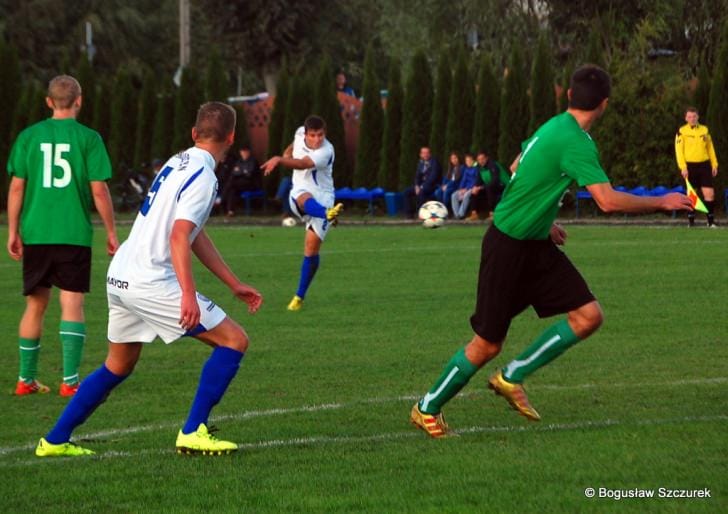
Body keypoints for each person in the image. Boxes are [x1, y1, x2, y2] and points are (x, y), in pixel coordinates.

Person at [410, 65, 693, 438]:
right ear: (604, 104)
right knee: (487, 343)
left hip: (535, 243)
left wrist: (543, 221)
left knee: (588, 316)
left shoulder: (553, 126)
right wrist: (661, 202)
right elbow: (606, 201)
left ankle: (512, 377)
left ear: (570, 97)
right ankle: (427, 408)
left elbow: (516, 167)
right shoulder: (575, 141)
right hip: (508, 246)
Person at [35, 102, 263, 457]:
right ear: (232, 137)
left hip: (122, 274)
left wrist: (232, 283)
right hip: (150, 280)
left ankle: (54, 440)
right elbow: (178, 237)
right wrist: (188, 295)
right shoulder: (204, 175)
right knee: (234, 340)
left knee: (118, 364)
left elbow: (192, 233)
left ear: (193, 133)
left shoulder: (177, 161)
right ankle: (193, 431)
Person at [6, 75, 118, 398]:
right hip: (73, 233)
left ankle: (25, 379)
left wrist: (13, 230)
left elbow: (16, 187)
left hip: (37, 232)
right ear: (79, 101)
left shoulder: (29, 136)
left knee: (35, 305)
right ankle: (70, 382)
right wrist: (111, 231)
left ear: (48, 102)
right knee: (72, 303)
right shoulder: (89, 138)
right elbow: (99, 190)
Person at [261, 115, 344, 311]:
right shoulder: (299, 132)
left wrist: (279, 160)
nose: (317, 139)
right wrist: (286, 153)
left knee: (311, 250)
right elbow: (293, 146)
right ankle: (327, 214)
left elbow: (303, 164)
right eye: (313, 135)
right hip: (301, 191)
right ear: (306, 133)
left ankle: (299, 297)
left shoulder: (326, 151)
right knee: (301, 196)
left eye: (321, 135)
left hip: (324, 196)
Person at [675, 107, 719, 227]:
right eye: (689, 117)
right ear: (685, 118)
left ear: (698, 117)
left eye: (694, 116)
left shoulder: (705, 130)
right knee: (692, 195)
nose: (692, 119)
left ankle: (710, 222)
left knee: (709, 193)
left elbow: (710, 148)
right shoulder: (681, 131)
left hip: (704, 165)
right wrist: (683, 167)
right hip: (689, 166)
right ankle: (691, 222)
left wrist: (714, 164)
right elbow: (679, 151)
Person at [221, 146, 261, 218]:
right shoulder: (239, 161)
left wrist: (240, 171)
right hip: (239, 184)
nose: (244, 153)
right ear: (240, 152)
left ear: (249, 152)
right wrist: (243, 171)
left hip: (251, 184)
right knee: (232, 190)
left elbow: (249, 174)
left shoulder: (253, 161)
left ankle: (222, 199)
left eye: (245, 152)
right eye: (242, 152)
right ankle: (231, 211)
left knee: (231, 185)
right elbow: (234, 172)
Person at [404, 146, 442, 216]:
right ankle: (409, 214)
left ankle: (421, 213)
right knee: (407, 192)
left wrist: (421, 187)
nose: (425, 155)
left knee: (422, 192)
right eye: (423, 153)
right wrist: (416, 186)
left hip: (432, 186)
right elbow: (417, 176)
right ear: (421, 154)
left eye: (427, 153)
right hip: (421, 186)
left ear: (430, 154)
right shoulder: (420, 163)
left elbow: (433, 178)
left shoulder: (434, 163)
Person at [476, 150, 511, 219]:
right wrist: (475, 187)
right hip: (492, 186)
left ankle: (493, 213)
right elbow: (478, 180)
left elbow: (495, 181)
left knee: (489, 188)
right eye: (479, 159)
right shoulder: (480, 168)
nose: (481, 161)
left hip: (503, 185)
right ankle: (475, 214)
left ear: (487, 158)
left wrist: (482, 187)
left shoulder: (493, 165)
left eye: (482, 159)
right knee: (474, 192)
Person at [451, 153, 483, 220]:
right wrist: (461, 189)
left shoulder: (477, 169)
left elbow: (476, 181)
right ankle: (456, 215)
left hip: (473, 188)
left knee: (466, 195)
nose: (468, 162)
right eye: (467, 161)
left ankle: (461, 214)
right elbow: (463, 180)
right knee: (454, 195)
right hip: (465, 189)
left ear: (473, 161)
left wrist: (467, 189)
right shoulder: (466, 169)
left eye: (470, 160)